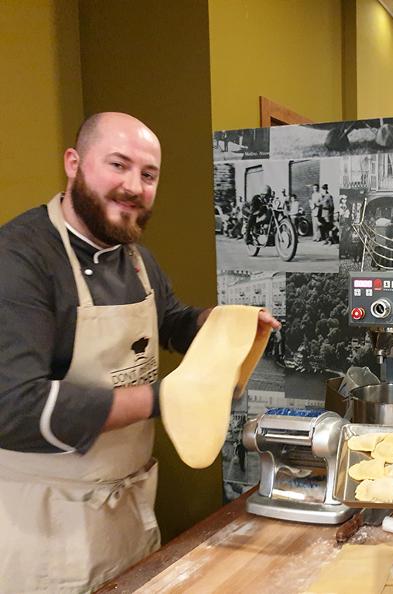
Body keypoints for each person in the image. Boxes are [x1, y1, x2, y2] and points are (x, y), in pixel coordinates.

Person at [0, 112, 281, 593]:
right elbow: (14, 407)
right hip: (45, 527)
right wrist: (161, 400)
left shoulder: (134, 255)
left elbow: (168, 321)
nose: (134, 186)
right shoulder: (20, 258)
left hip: (128, 512)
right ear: (74, 162)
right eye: (118, 165)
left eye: (148, 175)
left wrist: (223, 324)